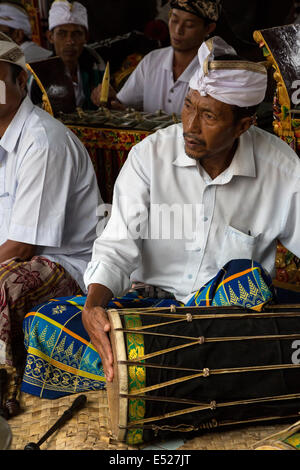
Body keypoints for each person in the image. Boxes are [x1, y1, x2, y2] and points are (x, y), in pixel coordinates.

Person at [21, 36, 300, 400]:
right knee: (46, 325)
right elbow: (116, 246)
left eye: (209, 115)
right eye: (188, 106)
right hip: (147, 316)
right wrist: (94, 308)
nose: (191, 125)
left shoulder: (281, 170)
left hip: (223, 321)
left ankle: (151, 373)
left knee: (244, 280)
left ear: (244, 125)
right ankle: (189, 372)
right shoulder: (149, 156)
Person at [0, 32, 101, 376]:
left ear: (21, 80)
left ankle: (7, 382)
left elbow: (22, 247)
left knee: (6, 284)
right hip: (16, 254)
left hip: (67, 264)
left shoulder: (42, 142)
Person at [91, 0, 221, 114]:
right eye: (174, 20)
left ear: (209, 28)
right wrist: (110, 100)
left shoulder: (215, 71)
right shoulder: (152, 61)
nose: (177, 30)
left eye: (189, 25)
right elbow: (123, 105)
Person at [30, 0, 105, 110]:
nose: (70, 41)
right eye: (62, 34)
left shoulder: (96, 67)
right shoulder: (39, 76)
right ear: (50, 37)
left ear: (86, 37)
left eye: (76, 34)